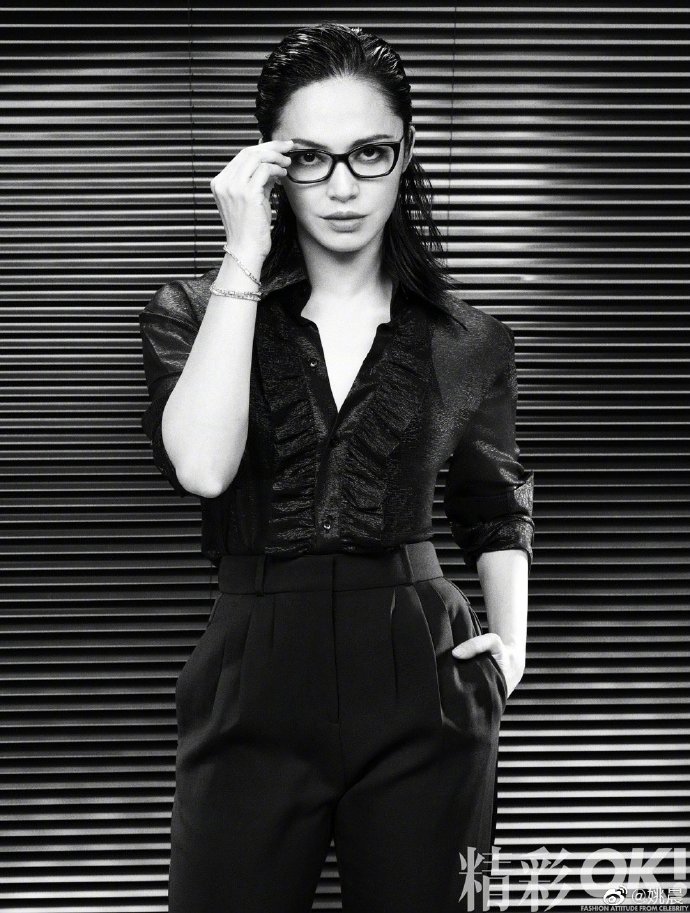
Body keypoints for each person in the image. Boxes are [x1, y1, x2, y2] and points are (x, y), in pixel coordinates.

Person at [138, 21, 535, 913]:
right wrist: (243, 254)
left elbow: (494, 501)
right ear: (269, 166)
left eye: (370, 153)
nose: (345, 187)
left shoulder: (470, 338)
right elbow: (203, 467)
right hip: (250, 664)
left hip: (423, 670)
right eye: (311, 159)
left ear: (407, 153)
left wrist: (509, 652)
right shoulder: (192, 311)